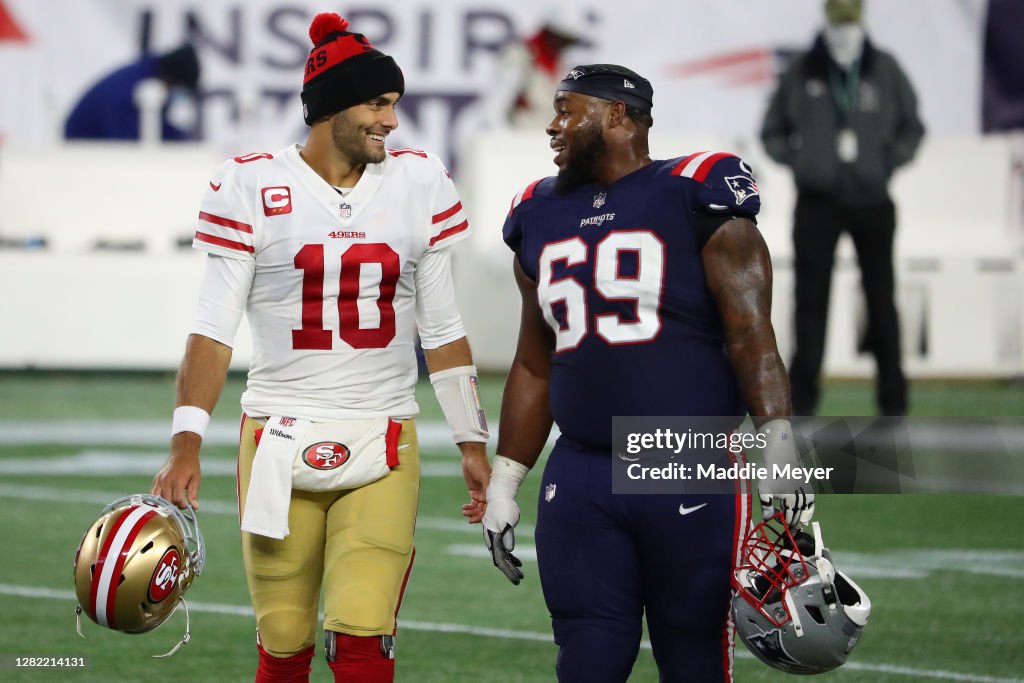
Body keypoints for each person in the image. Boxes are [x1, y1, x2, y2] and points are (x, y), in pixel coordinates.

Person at [150, 13, 490, 683]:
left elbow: (442, 326)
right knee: (282, 641)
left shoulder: (419, 181)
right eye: (377, 103)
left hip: (382, 432)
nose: (392, 121)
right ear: (330, 104)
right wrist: (185, 441)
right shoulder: (249, 185)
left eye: (394, 104)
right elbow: (213, 326)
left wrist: (471, 439)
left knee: (364, 634)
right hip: (276, 431)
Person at [480, 63, 814, 683]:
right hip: (580, 470)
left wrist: (778, 440)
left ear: (616, 115)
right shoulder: (537, 210)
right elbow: (535, 358)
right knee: (587, 656)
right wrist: (507, 477)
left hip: (683, 462)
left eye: (566, 110)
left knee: (692, 657)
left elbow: (750, 332)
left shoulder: (696, 188)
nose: (552, 126)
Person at [760, 0, 925, 416]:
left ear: (862, 21)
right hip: (817, 202)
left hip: (871, 200)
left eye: (850, 21)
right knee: (810, 303)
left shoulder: (883, 68)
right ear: (827, 20)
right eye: (839, 21)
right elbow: (771, 130)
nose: (844, 30)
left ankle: (893, 401)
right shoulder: (803, 70)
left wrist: (886, 163)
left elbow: (913, 126)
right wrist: (803, 164)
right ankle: (803, 401)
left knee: (881, 299)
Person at [64, 43, 201, 141]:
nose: (181, 95)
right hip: (81, 152)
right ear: (171, 79)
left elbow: (157, 129)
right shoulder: (129, 93)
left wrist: (184, 140)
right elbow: (129, 144)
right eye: (182, 88)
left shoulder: (147, 76)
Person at [481, 11, 582, 130]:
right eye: (564, 39)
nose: (566, 45)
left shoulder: (560, 63)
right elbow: (495, 107)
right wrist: (504, 139)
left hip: (548, 136)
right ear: (552, 33)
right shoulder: (521, 55)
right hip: (524, 132)